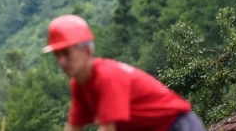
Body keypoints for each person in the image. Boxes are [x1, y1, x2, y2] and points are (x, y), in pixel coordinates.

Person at [44, 14, 206, 131]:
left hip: (178, 125)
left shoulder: (106, 76)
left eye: (66, 53)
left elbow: (108, 128)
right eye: (57, 55)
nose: (61, 62)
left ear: (86, 50)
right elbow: (73, 126)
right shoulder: (79, 84)